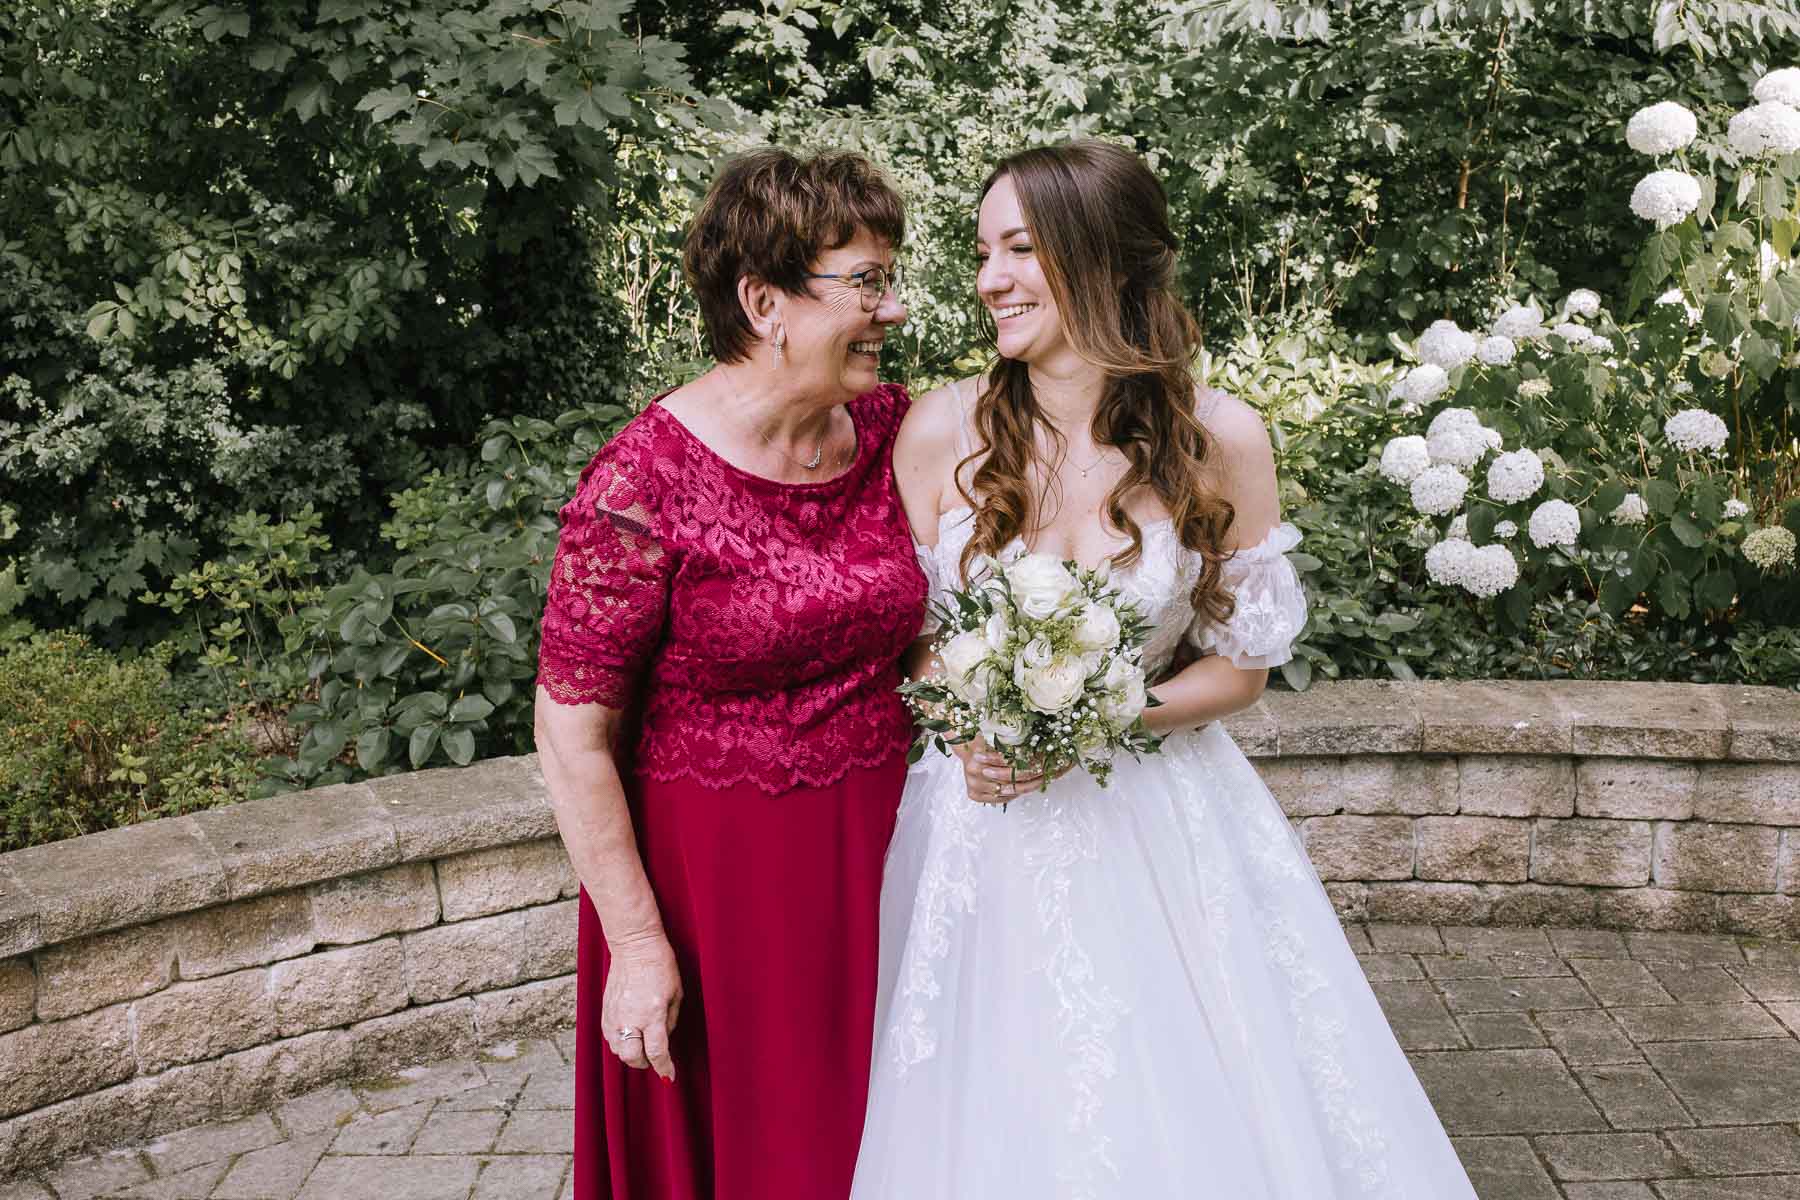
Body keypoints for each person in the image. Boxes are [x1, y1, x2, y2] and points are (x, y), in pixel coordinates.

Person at [851, 140, 1478, 1198]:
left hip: (1160, 815)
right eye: (983, 251)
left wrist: (1093, 720)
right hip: (979, 825)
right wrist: (969, 728)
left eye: (1019, 249)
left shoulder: (1218, 439)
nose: (989, 279)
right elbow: (919, 634)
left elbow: (1240, 672)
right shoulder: (940, 428)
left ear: (1102, 260)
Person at [534, 147, 923, 1200]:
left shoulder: (896, 433)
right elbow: (570, 732)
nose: (890, 310)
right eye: (866, 283)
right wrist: (637, 943)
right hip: (722, 891)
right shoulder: (640, 484)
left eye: (889, 280)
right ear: (764, 303)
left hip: (889, 852)